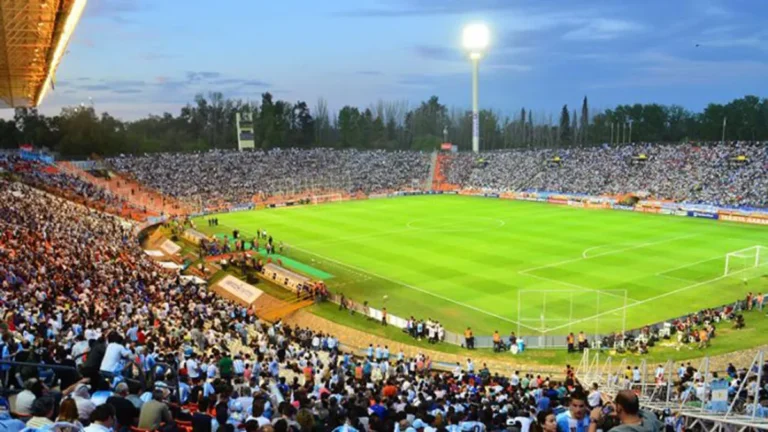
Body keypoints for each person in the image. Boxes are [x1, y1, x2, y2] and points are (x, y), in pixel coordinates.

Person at [588, 390, 662, 432]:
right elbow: (637, 412)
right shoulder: (651, 419)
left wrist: (593, 421)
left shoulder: (618, 431)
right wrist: (618, 411)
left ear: (619, 408)